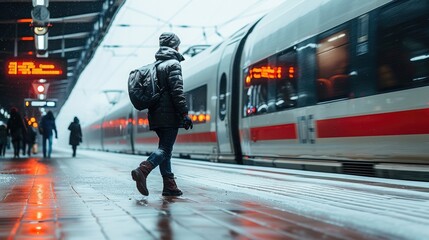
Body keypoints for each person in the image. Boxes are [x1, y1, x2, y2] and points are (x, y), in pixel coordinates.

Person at [131, 32, 193, 197]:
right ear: (175, 46)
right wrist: (184, 113)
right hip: (169, 115)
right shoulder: (173, 64)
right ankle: (144, 169)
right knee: (165, 149)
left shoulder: (155, 66)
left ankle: (169, 185)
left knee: (165, 148)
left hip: (156, 114)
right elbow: (177, 91)